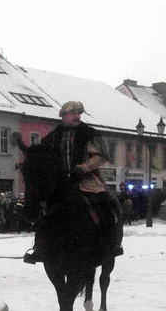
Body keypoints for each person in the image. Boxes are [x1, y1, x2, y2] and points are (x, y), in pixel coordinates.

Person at [22, 100, 123, 264]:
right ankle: (40, 247)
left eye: (79, 114)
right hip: (60, 182)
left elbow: (102, 155)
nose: (77, 116)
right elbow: (42, 154)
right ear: (64, 116)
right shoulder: (53, 136)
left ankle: (111, 243)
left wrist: (84, 167)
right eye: (73, 113)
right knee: (45, 211)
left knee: (104, 203)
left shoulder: (89, 133)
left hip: (87, 180)